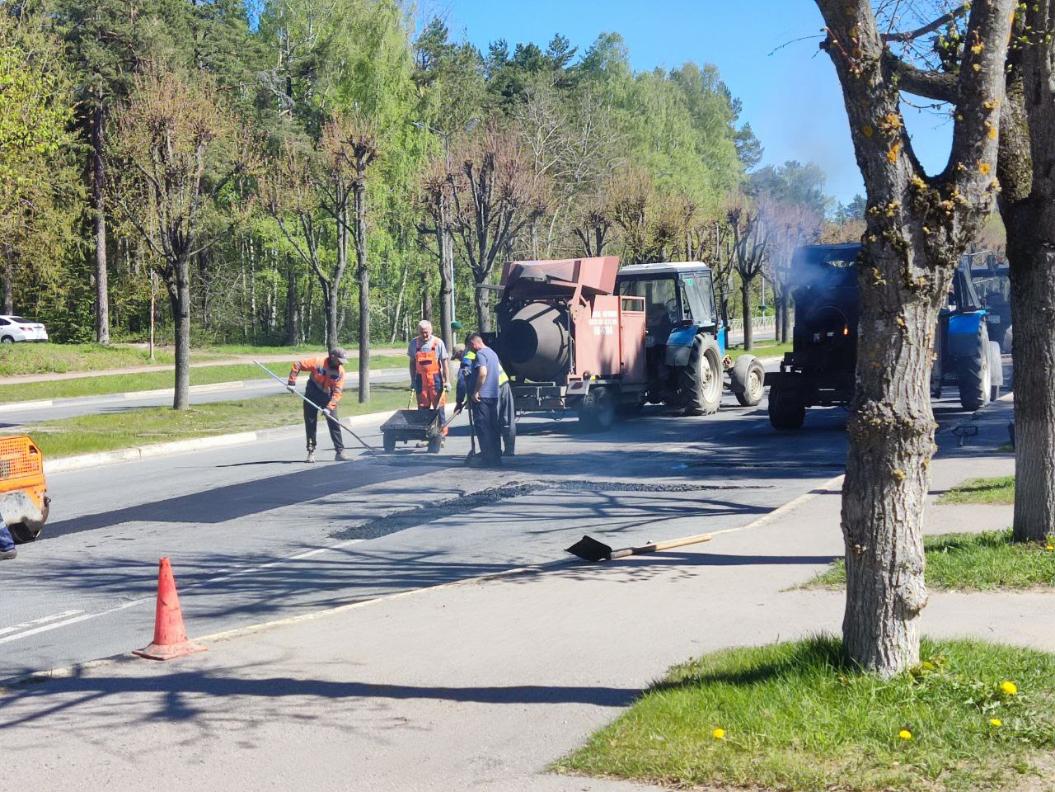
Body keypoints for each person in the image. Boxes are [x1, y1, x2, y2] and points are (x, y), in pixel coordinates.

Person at [454, 339, 515, 457]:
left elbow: (462, 381)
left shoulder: (468, 357)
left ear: (462, 351)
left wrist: (459, 401)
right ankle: (509, 450)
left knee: (490, 422)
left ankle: (489, 452)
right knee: (507, 418)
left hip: (491, 389)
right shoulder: (489, 352)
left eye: (457, 357)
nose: (458, 360)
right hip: (504, 384)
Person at [288, 347, 348, 463]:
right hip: (312, 394)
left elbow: (338, 392)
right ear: (332, 356)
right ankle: (311, 452)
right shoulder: (318, 362)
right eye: (339, 360)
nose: (341, 363)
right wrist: (291, 382)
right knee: (311, 423)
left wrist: (329, 407)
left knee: (334, 422)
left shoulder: (340, 371)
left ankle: (340, 452)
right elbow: (298, 364)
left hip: (328, 397)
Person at [464, 333, 503, 467]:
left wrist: (476, 391)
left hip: (483, 396)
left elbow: (483, 373)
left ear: (474, 343)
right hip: (493, 394)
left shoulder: (480, 354)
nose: (470, 349)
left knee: (483, 427)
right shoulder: (493, 353)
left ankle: (487, 458)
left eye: (470, 346)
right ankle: (496, 456)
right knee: (493, 426)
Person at [408, 320, 450, 435]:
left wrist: (447, 381)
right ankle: (425, 433)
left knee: (439, 407)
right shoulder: (414, 344)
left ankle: (441, 433)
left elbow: (445, 363)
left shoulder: (438, 343)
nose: (424, 335)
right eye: (422, 332)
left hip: (435, 380)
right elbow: (412, 363)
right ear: (418, 332)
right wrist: (413, 381)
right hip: (421, 380)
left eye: (426, 332)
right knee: (423, 408)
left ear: (431, 330)